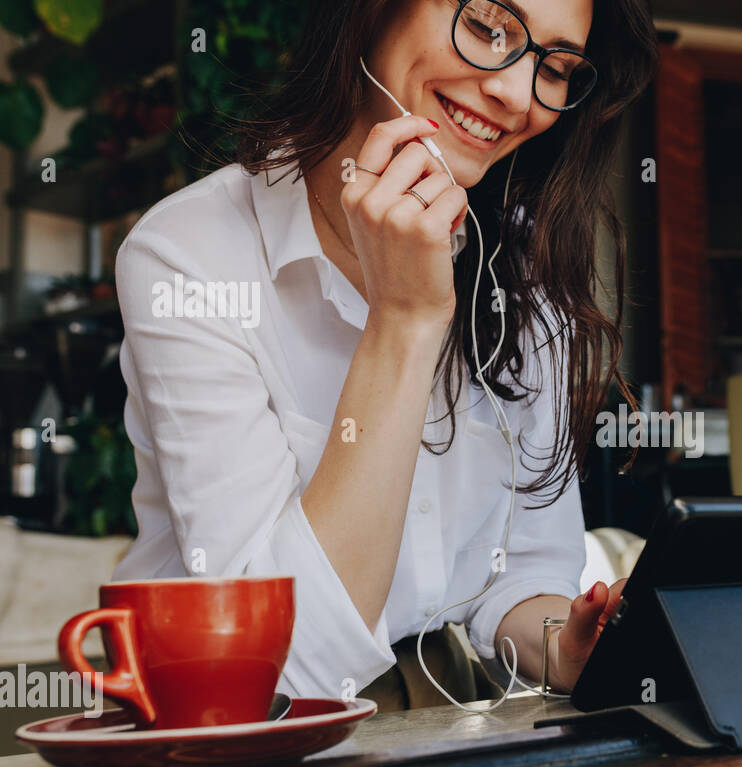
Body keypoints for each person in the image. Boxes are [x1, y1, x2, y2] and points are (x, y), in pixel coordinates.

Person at [111, 0, 658, 707]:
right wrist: (405, 322)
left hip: (431, 718)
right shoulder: (191, 257)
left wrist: (570, 645)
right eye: (490, 26)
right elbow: (284, 665)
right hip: (225, 730)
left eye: (554, 68)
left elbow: (519, 579)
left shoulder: (520, 272)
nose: (518, 96)